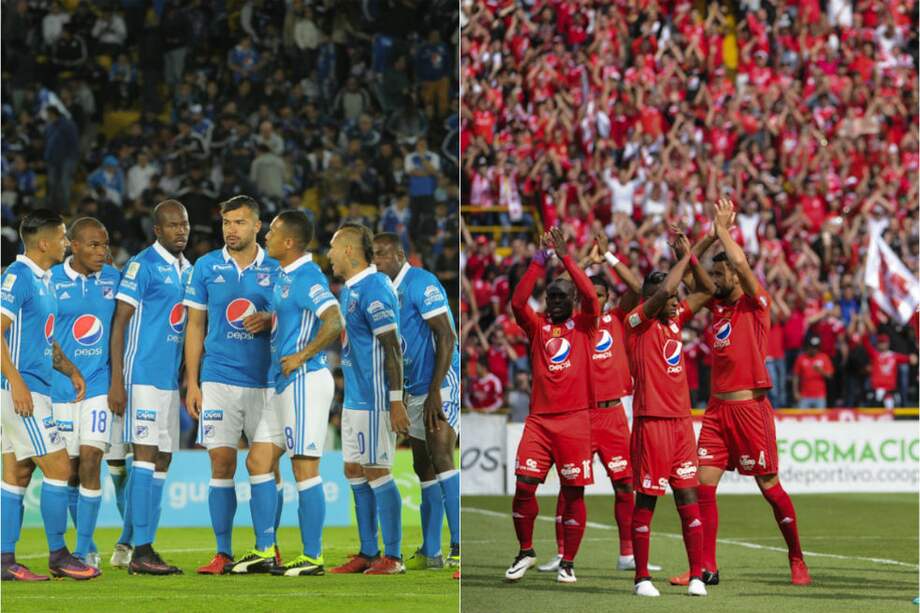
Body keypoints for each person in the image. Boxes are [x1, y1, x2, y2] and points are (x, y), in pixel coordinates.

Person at [670, 199, 811, 588]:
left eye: (721, 271)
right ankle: (706, 568)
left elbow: (744, 266)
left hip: (750, 408)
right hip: (716, 411)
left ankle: (796, 557)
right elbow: (688, 276)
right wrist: (702, 240)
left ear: (734, 271)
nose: (715, 279)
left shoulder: (755, 303)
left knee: (769, 487)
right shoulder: (715, 306)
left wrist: (724, 230)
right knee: (702, 487)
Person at [225, 210, 342, 576]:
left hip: (305, 379)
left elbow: (334, 318)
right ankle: (264, 550)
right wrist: (268, 319)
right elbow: (292, 317)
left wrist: (304, 355)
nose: (266, 238)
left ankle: (312, 556)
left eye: (272, 232)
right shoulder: (284, 276)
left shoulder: (307, 276)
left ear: (289, 242)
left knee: (304, 467)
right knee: (258, 462)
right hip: (282, 383)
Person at [536, 231, 650, 574]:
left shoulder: (618, 320)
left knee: (625, 484)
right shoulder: (575, 325)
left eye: (600, 295)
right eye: (590, 295)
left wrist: (609, 256)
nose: (595, 301)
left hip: (613, 413)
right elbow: (560, 285)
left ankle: (627, 554)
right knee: (571, 485)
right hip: (581, 414)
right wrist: (582, 260)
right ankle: (561, 552)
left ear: (609, 298)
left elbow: (640, 288)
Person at [182, 196, 281, 575]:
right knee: (221, 462)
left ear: (258, 226)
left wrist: (271, 318)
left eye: (239, 222)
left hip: (268, 381)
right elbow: (195, 326)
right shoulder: (206, 267)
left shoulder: (276, 267)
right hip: (219, 377)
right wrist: (193, 382)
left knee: (268, 467)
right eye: (226, 222)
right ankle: (222, 552)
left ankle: (266, 548)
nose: (230, 229)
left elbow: (295, 316)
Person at [1, 209, 97, 580]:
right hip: (20, 390)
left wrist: (70, 368)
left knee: (17, 473)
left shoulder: (44, 279)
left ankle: (5, 560)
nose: (66, 243)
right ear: (43, 243)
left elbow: (43, 336)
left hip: (28, 386)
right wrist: (17, 383)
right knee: (59, 467)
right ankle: (59, 554)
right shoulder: (18, 276)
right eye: (61, 237)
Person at [504, 227, 599, 585]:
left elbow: (590, 297)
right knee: (524, 485)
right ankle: (526, 550)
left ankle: (568, 561)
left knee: (573, 492)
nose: (556, 301)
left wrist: (568, 258)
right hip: (540, 422)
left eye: (562, 297)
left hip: (575, 422)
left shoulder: (585, 325)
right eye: (551, 296)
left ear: (570, 302)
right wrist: (540, 259)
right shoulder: (537, 326)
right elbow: (516, 302)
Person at [624, 229, 715, 598]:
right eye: (670, 296)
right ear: (649, 299)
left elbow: (707, 290)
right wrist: (683, 257)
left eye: (677, 297)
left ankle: (696, 575)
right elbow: (663, 291)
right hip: (651, 424)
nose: (676, 301)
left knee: (687, 500)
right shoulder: (636, 322)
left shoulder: (673, 322)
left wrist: (692, 257)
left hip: (680, 424)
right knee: (646, 501)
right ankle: (641, 577)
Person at [109, 200, 191, 575]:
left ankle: (136, 543)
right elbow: (119, 324)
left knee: (163, 459)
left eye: (185, 224)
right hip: (140, 376)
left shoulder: (188, 270)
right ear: (157, 230)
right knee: (143, 457)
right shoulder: (142, 265)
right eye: (173, 225)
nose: (181, 230)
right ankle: (141, 550)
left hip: (168, 382)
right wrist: (117, 381)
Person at [372, 233, 461, 571]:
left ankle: (458, 546)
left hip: (439, 382)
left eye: (381, 255)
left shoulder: (421, 283)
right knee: (421, 465)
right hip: (412, 387)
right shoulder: (386, 291)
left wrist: (436, 388)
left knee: (441, 453)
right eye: (373, 256)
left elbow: (446, 334)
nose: (376, 261)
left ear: (398, 253)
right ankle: (431, 550)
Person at [327, 223, 410, 575]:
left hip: (376, 397)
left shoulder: (375, 287)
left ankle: (393, 556)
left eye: (332, 247)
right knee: (354, 471)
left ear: (348, 250)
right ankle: (367, 550)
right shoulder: (350, 289)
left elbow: (392, 347)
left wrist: (395, 400)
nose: (328, 254)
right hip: (355, 398)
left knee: (377, 471)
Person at [49, 218, 121, 570]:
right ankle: (86, 541)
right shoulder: (51, 281)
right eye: (93, 245)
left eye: (104, 244)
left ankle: (81, 552)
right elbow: (44, 337)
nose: (101, 251)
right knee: (70, 470)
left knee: (92, 461)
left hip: (98, 386)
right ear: (73, 246)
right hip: (60, 391)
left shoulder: (112, 278)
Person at [792, 336, 834, 408]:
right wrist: (795, 392)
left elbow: (830, 376)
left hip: (820, 396)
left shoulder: (824, 357)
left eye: (816, 347)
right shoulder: (801, 358)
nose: (814, 349)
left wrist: (821, 371)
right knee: (803, 418)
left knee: (820, 418)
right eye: (812, 347)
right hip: (804, 396)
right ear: (808, 347)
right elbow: (796, 376)